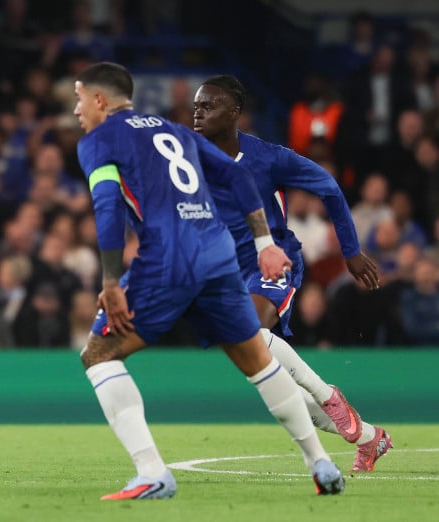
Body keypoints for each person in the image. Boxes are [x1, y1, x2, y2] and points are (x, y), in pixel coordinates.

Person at [73, 62, 344, 500]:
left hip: (168, 257)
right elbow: (237, 175)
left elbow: (107, 208)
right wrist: (264, 245)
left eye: (79, 98)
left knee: (99, 355)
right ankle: (320, 462)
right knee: (257, 359)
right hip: (218, 255)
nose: (76, 110)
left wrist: (110, 281)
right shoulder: (174, 130)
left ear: (100, 100)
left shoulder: (99, 140)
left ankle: (151, 472)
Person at [193, 75, 392, 472]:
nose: (198, 113)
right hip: (223, 271)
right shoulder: (186, 159)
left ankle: (329, 397)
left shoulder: (268, 157)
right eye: (196, 106)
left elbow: (329, 187)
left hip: (272, 259)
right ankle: (369, 437)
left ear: (234, 113)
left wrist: (351, 251)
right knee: (264, 373)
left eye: (208, 106)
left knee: (250, 331)